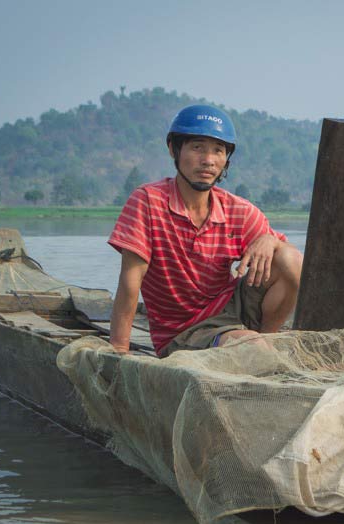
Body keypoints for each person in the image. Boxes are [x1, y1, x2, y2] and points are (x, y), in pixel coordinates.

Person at [108, 104, 303, 357]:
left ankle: (267, 340)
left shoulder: (237, 210)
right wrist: (119, 350)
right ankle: (258, 348)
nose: (208, 160)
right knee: (252, 348)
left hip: (233, 311)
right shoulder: (147, 202)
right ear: (174, 150)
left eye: (218, 151)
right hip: (184, 332)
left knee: (289, 258)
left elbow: (292, 264)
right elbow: (130, 283)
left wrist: (270, 240)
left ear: (226, 160)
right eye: (197, 147)